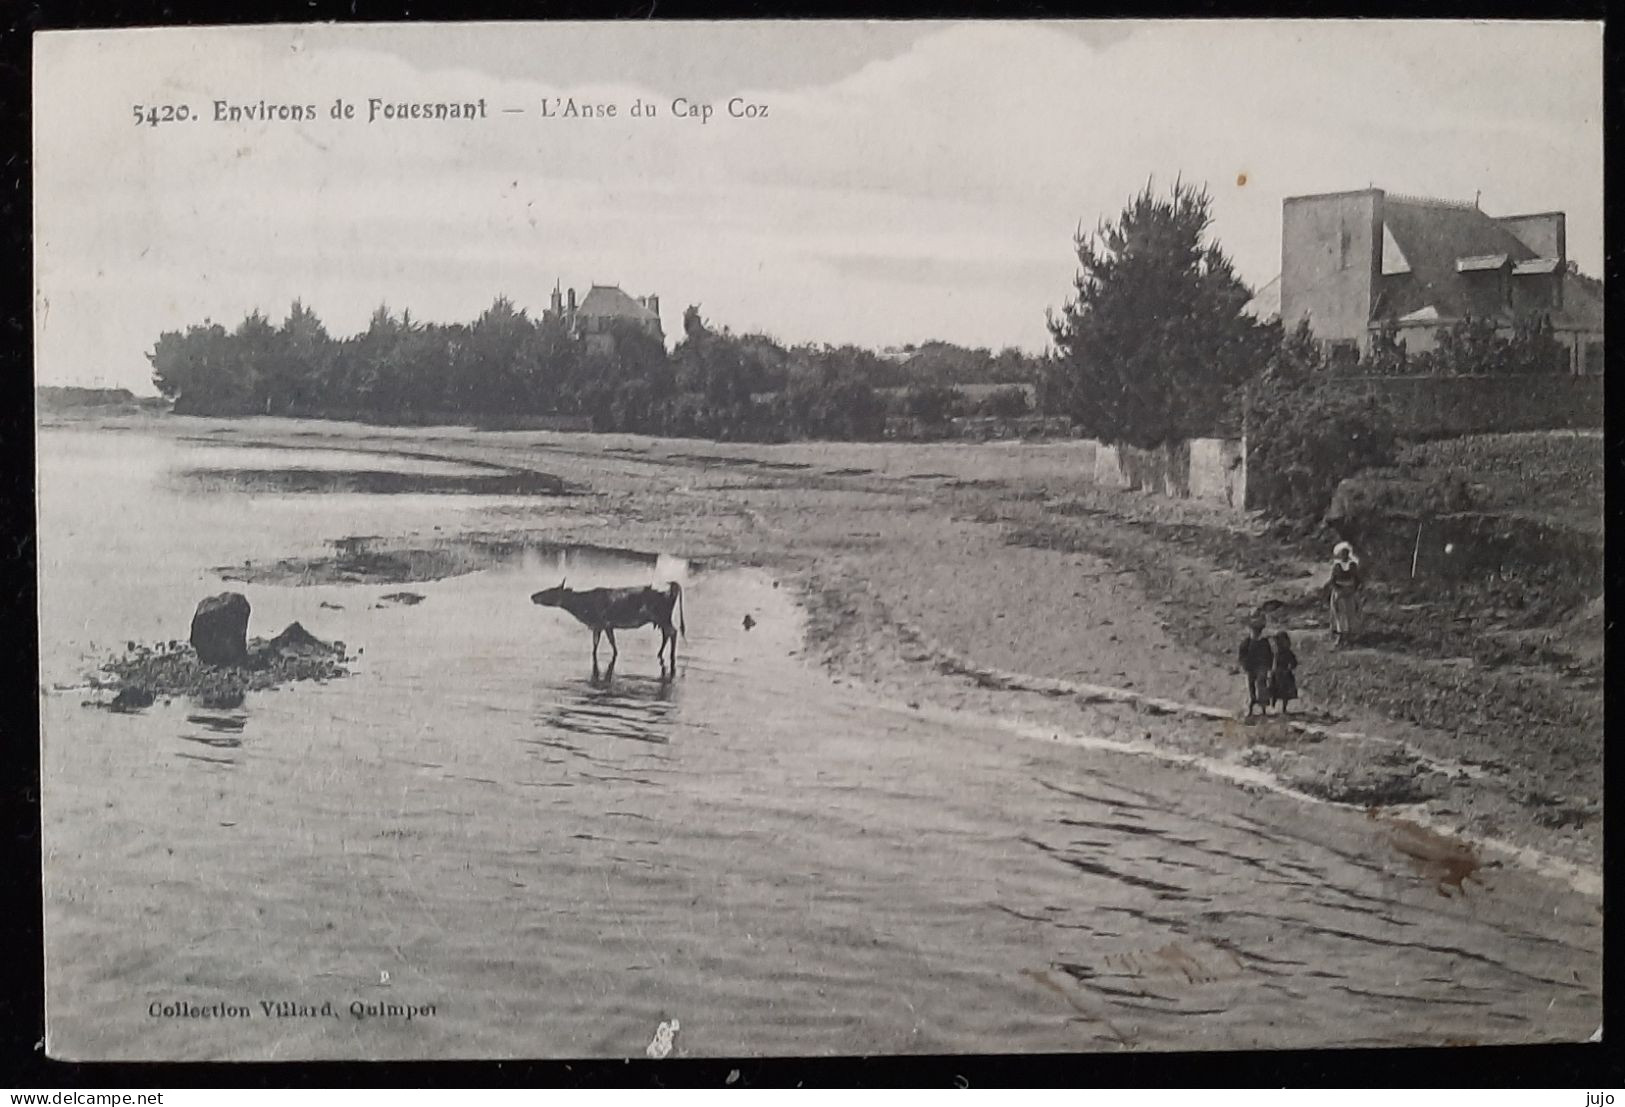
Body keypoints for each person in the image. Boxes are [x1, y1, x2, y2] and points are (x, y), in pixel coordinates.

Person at [1238, 611, 1274, 716]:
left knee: (1261, 685)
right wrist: (1244, 665)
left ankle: (1263, 708)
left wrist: (1269, 667)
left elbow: (1269, 655)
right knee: (1250, 687)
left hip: (1261, 667)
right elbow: (1242, 656)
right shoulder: (1246, 643)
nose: (1255, 633)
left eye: (1257, 631)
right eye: (1254, 630)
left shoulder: (1264, 643)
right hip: (1250, 668)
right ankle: (1250, 707)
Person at [1329, 541, 1362, 644]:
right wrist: (1339, 590)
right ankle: (1340, 635)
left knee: (1352, 612)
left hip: (1351, 591)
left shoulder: (1353, 565)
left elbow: (1357, 579)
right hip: (1339, 592)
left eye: (1346, 552)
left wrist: (1352, 589)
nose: (1345, 555)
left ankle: (1351, 636)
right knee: (1340, 613)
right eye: (1343, 553)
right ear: (1340, 554)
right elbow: (1332, 580)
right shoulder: (1337, 566)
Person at [1269, 630, 1299, 713]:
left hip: (1285, 674)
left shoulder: (1288, 653)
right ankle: (1273, 705)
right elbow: (1272, 662)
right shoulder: (1276, 653)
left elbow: (1294, 663)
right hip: (1277, 673)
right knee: (1274, 690)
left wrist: (1290, 667)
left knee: (1285, 693)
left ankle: (1284, 708)